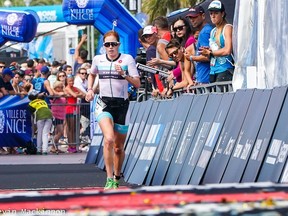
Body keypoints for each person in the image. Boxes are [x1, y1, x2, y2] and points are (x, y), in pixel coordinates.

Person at [85, 30, 141, 190]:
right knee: (108, 139)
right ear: (104, 46)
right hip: (103, 103)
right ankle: (109, 177)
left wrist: (124, 75)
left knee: (118, 147)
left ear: (118, 45)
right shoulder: (98, 59)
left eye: (113, 44)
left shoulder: (127, 59)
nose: (110, 47)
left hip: (122, 105)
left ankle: (117, 175)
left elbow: (137, 84)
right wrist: (89, 89)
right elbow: (92, 74)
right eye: (107, 44)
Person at [199, 0, 234, 83]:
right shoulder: (213, 31)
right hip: (213, 71)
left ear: (222, 14)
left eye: (216, 13)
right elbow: (216, 50)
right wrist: (208, 50)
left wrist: (210, 53)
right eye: (211, 13)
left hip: (225, 70)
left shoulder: (227, 28)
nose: (213, 16)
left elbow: (227, 50)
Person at [185, 6, 213, 88]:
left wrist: (190, 57)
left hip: (206, 80)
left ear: (203, 16)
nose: (192, 20)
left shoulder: (204, 32)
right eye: (190, 18)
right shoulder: (205, 30)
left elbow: (207, 57)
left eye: (195, 17)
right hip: (203, 78)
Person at [28, 90, 53, 155]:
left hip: (40, 116)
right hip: (49, 115)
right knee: (45, 133)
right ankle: (45, 150)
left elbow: (32, 113)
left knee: (39, 133)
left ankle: (39, 150)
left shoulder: (31, 104)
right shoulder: (43, 101)